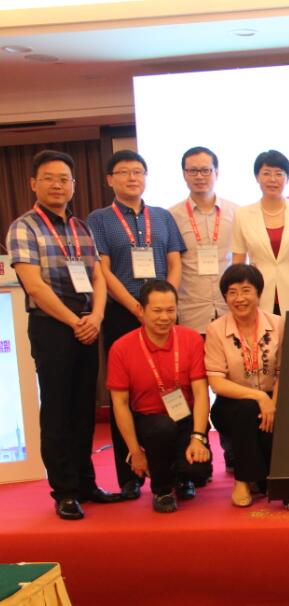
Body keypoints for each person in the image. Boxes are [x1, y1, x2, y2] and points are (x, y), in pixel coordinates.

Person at [6, 150, 120, 520]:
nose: (57, 185)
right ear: (33, 184)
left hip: (87, 324)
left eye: (64, 179)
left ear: (73, 185)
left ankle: (86, 484)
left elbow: (98, 276)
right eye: (49, 178)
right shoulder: (24, 227)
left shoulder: (81, 227)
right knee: (57, 410)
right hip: (53, 325)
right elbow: (35, 287)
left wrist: (97, 316)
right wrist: (75, 321)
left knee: (83, 409)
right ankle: (65, 492)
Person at [87, 149, 186, 500]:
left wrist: (164, 304)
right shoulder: (99, 219)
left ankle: (179, 471)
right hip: (122, 313)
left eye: (138, 172)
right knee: (124, 393)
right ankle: (130, 474)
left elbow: (174, 263)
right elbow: (103, 270)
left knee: (174, 385)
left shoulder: (162, 216)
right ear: (109, 179)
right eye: (124, 172)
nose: (132, 178)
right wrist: (135, 307)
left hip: (162, 313)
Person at [106, 280, 212, 513]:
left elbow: (201, 393)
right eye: (157, 311)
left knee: (199, 471)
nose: (165, 317)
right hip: (149, 421)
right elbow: (120, 404)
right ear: (141, 310)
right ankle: (162, 490)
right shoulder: (121, 348)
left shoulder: (191, 339)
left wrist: (198, 437)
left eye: (170, 310)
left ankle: (183, 478)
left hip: (185, 417)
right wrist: (135, 451)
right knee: (161, 428)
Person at [205, 264, 284, 507]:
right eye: (232, 292)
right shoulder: (216, 329)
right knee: (248, 409)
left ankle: (257, 479)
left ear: (259, 293)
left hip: (274, 399)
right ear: (225, 297)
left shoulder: (279, 324)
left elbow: (284, 372)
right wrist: (260, 397)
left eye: (246, 290)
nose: (240, 298)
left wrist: (273, 403)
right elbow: (217, 383)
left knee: (267, 436)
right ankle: (242, 480)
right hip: (232, 404)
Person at [231, 149, 289, 315]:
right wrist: (237, 297)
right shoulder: (242, 214)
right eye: (266, 173)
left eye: (279, 174)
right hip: (258, 295)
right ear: (257, 177)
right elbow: (238, 261)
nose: (272, 179)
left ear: (288, 178)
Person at [169, 146, 237, 332]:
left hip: (229, 307)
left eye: (205, 170)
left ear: (216, 172)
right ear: (184, 174)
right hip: (191, 310)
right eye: (193, 171)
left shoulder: (236, 212)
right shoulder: (171, 216)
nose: (199, 176)